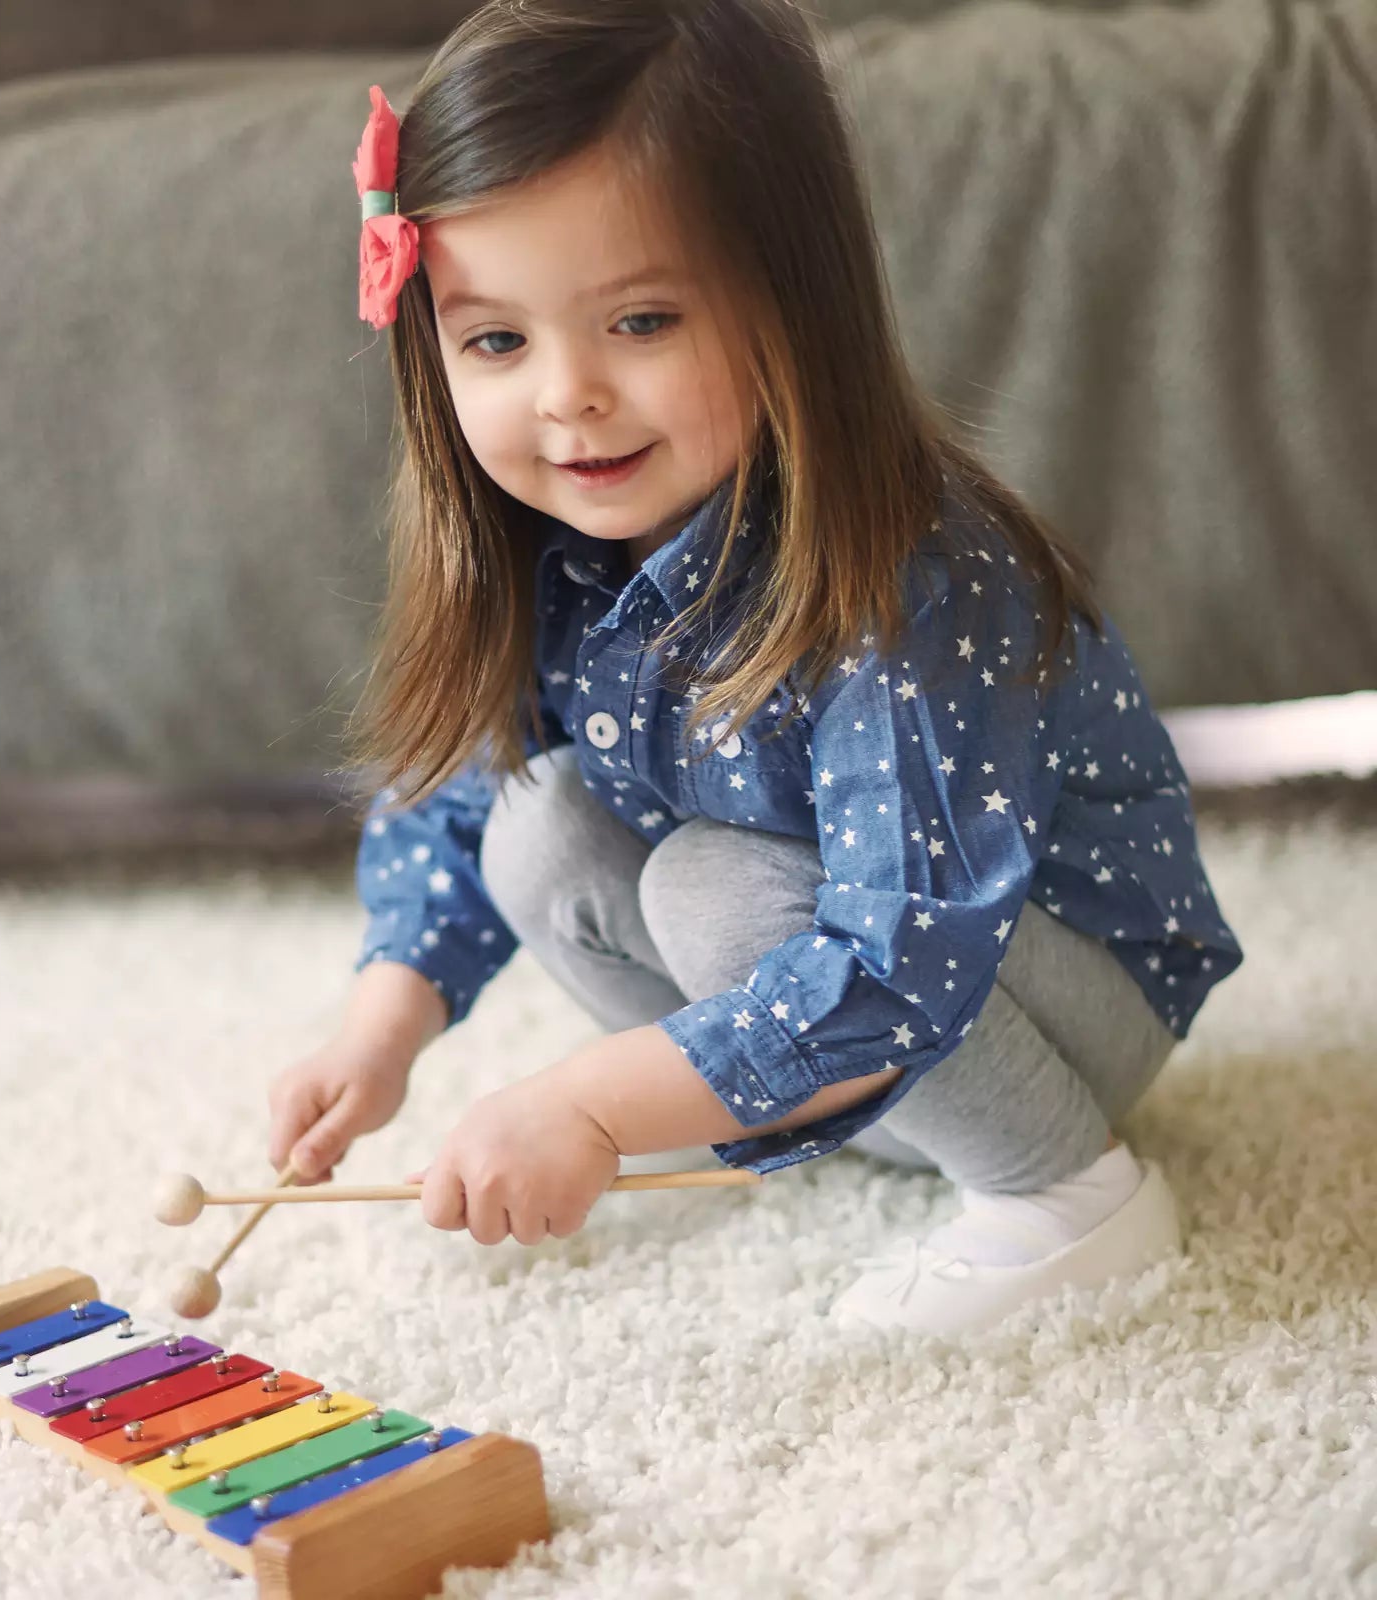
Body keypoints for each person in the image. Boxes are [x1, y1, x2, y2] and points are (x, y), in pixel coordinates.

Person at [266, 0, 1243, 1335]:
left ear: (792, 300)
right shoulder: (553, 545)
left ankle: (1067, 1193)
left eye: (643, 323)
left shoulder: (909, 571)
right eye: (496, 341)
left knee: (713, 884)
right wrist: (379, 1029)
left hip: (1053, 1005)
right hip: (846, 1010)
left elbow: (905, 949)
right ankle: (759, 1102)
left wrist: (594, 1100)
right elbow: (458, 791)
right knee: (538, 829)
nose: (567, 397)